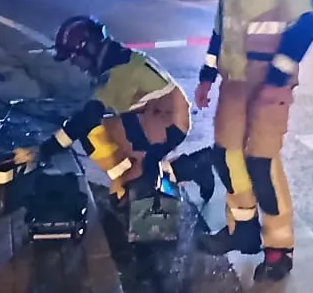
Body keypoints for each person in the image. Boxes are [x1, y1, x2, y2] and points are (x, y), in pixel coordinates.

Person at [194, 0, 313, 281]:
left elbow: (305, 25)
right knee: (226, 155)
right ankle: (242, 229)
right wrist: (207, 74)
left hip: (269, 79)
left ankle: (279, 249)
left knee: (260, 163)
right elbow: (222, 26)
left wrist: (278, 80)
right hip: (234, 76)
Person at [15, 15, 195, 211]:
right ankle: (162, 170)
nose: (75, 64)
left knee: (124, 194)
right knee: (100, 131)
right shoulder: (120, 58)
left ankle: (154, 180)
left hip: (166, 124)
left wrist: (43, 151)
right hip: (162, 119)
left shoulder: (116, 73)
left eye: (74, 57)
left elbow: (85, 119)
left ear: (88, 49)